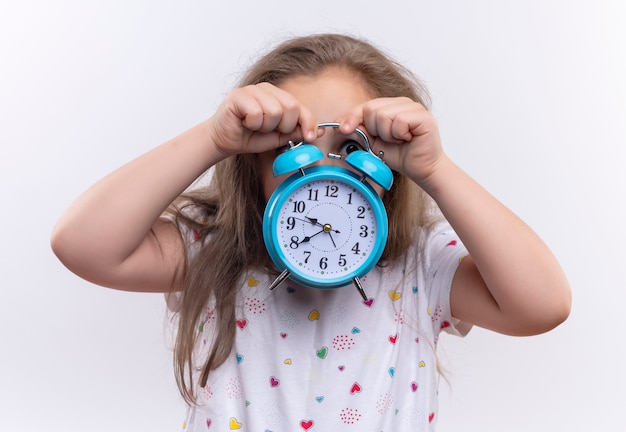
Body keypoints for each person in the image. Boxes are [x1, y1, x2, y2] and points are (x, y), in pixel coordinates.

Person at [51, 33, 571, 430]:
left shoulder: (420, 264)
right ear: (251, 164)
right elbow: (81, 244)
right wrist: (212, 138)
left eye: (350, 150)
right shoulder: (213, 251)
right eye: (289, 152)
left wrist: (436, 169)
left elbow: (542, 304)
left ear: (390, 169)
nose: (323, 174)